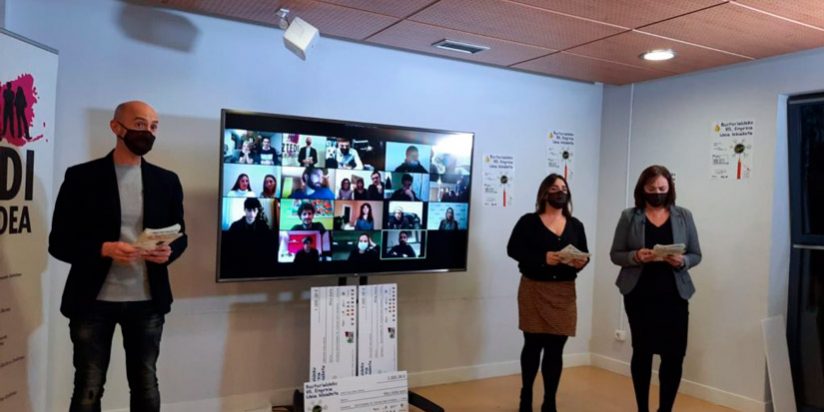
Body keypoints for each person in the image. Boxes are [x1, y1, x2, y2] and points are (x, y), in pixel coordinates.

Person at [48, 100, 188, 412]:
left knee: (146, 384)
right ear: (116, 127)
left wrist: (168, 251)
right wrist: (104, 249)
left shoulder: (167, 181)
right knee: (88, 386)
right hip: (91, 302)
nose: (147, 132)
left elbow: (181, 236)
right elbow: (58, 242)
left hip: (148, 302)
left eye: (153, 126)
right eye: (139, 124)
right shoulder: (81, 177)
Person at [610, 165, 701, 412]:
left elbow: (696, 254)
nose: (657, 193)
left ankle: (665, 409)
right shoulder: (629, 216)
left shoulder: (684, 216)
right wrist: (636, 256)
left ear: (670, 188)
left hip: (674, 294)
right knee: (642, 352)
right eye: (652, 188)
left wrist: (683, 261)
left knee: (674, 355)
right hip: (639, 294)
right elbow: (616, 254)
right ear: (642, 189)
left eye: (662, 188)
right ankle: (643, 408)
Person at [506, 173, 588, 412]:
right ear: (544, 193)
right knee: (532, 345)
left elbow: (584, 254)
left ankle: (549, 400)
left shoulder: (576, 225)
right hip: (534, 289)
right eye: (554, 188)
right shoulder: (528, 221)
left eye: (564, 188)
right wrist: (542, 258)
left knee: (556, 349)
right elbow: (513, 249)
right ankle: (526, 395)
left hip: (564, 293)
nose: (560, 192)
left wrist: (580, 262)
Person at [225, 198, 277, 274]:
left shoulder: (263, 226)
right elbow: (229, 249)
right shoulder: (235, 226)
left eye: (254, 210)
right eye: (249, 210)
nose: (252, 214)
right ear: (244, 210)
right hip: (239, 265)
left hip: (259, 266)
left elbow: (268, 248)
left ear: (257, 211)